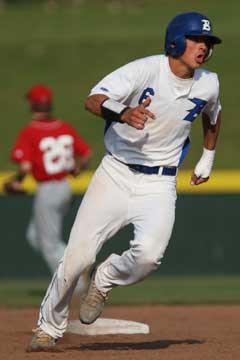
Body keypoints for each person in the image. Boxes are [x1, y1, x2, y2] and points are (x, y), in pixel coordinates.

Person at [27, 12, 222, 351]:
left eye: (208, 42)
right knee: (76, 258)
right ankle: (48, 328)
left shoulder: (209, 83)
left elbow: (213, 115)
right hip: (115, 173)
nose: (203, 47)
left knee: (148, 257)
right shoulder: (144, 70)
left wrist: (207, 157)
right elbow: (93, 100)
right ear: (175, 41)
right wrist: (122, 112)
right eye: (196, 39)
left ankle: (105, 279)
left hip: (159, 183)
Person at [5, 84, 92, 274]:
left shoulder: (30, 131)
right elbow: (86, 153)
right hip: (65, 187)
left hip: (48, 189)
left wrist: (16, 180)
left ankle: (77, 277)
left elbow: (25, 167)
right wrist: (79, 167)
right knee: (35, 236)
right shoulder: (64, 127)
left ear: (32, 105)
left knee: (49, 244)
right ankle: (75, 271)